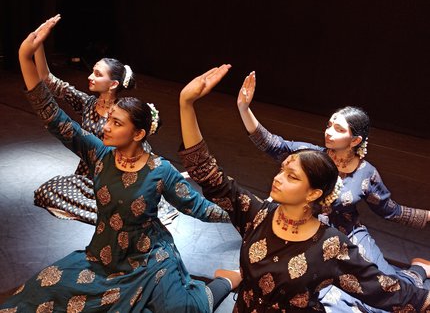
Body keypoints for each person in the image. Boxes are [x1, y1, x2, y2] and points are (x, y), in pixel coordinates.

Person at [0, 16, 232, 312]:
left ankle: (226, 281)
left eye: (116, 123)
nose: (106, 127)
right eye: (108, 121)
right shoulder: (99, 154)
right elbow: (53, 116)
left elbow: (200, 208)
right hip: (104, 257)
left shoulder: (160, 171)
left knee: (185, 308)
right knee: (43, 291)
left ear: (138, 133)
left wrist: (243, 212)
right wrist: (24, 56)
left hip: (150, 260)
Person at [177, 64, 430, 312]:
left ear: (313, 193)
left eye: (292, 176)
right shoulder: (259, 214)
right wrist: (186, 105)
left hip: (348, 234)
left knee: (377, 294)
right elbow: (209, 174)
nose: (277, 178)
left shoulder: (331, 245)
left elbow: (389, 290)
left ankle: (418, 270)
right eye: (282, 170)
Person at [33, 15, 178, 225]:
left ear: (112, 84)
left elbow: (141, 148)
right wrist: (38, 44)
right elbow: (48, 80)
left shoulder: (124, 113)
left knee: (130, 202)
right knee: (48, 190)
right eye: (92, 72)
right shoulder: (88, 103)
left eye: (97, 74)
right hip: (89, 177)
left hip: (118, 178)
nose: (91, 77)